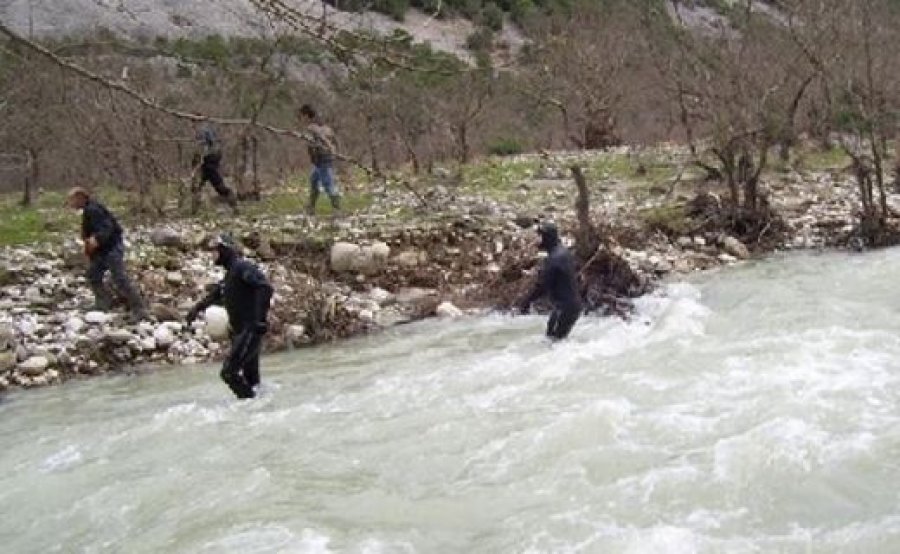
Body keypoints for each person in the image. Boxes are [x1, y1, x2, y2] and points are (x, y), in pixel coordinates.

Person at [187, 234, 273, 399]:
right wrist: (196, 309)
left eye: (214, 250)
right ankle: (258, 410)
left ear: (225, 250)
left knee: (228, 373)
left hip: (250, 329)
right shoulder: (229, 275)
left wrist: (259, 319)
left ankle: (248, 402)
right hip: (241, 332)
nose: (211, 255)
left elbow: (264, 288)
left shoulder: (242, 268)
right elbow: (217, 294)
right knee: (252, 380)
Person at [65, 187, 147, 322]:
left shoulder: (94, 209)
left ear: (81, 198)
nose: (71, 203)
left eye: (72, 200)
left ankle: (139, 309)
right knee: (93, 275)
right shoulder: (88, 210)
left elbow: (108, 227)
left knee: (120, 278)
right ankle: (102, 303)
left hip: (112, 248)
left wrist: (96, 239)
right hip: (102, 251)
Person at [518, 221, 582, 340]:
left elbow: (542, 286)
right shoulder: (563, 252)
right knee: (552, 339)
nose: (536, 240)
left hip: (564, 308)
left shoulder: (554, 259)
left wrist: (525, 303)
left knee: (554, 342)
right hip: (568, 306)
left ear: (547, 238)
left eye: (539, 236)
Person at [298, 104, 341, 215]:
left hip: (323, 160)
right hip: (319, 161)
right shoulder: (324, 126)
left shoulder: (312, 128)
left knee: (328, 184)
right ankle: (311, 208)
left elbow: (324, 139)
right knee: (314, 182)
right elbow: (334, 140)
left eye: (302, 116)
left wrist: (331, 148)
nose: (301, 119)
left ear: (306, 116)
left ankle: (337, 208)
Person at [194, 124, 239, 213]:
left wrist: (202, 157)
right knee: (198, 185)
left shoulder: (203, 130)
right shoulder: (205, 129)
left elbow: (207, 145)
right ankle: (195, 209)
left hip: (209, 160)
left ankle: (233, 204)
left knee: (217, 185)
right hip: (209, 160)